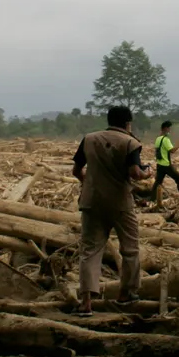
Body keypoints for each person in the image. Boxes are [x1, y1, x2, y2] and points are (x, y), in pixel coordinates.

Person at [72, 106, 151, 314]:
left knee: (89, 251)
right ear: (128, 123)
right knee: (130, 249)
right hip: (120, 204)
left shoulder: (89, 139)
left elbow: (76, 170)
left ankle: (86, 303)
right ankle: (127, 294)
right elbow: (135, 173)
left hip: (92, 202)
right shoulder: (131, 142)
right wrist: (147, 173)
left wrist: (87, 183)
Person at [152, 120, 179, 204]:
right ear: (165, 128)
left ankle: (152, 198)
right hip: (166, 165)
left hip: (159, 164)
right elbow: (172, 150)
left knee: (158, 182)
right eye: (169, 128)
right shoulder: (165, 139)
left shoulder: (158, 139)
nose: (170, 130)